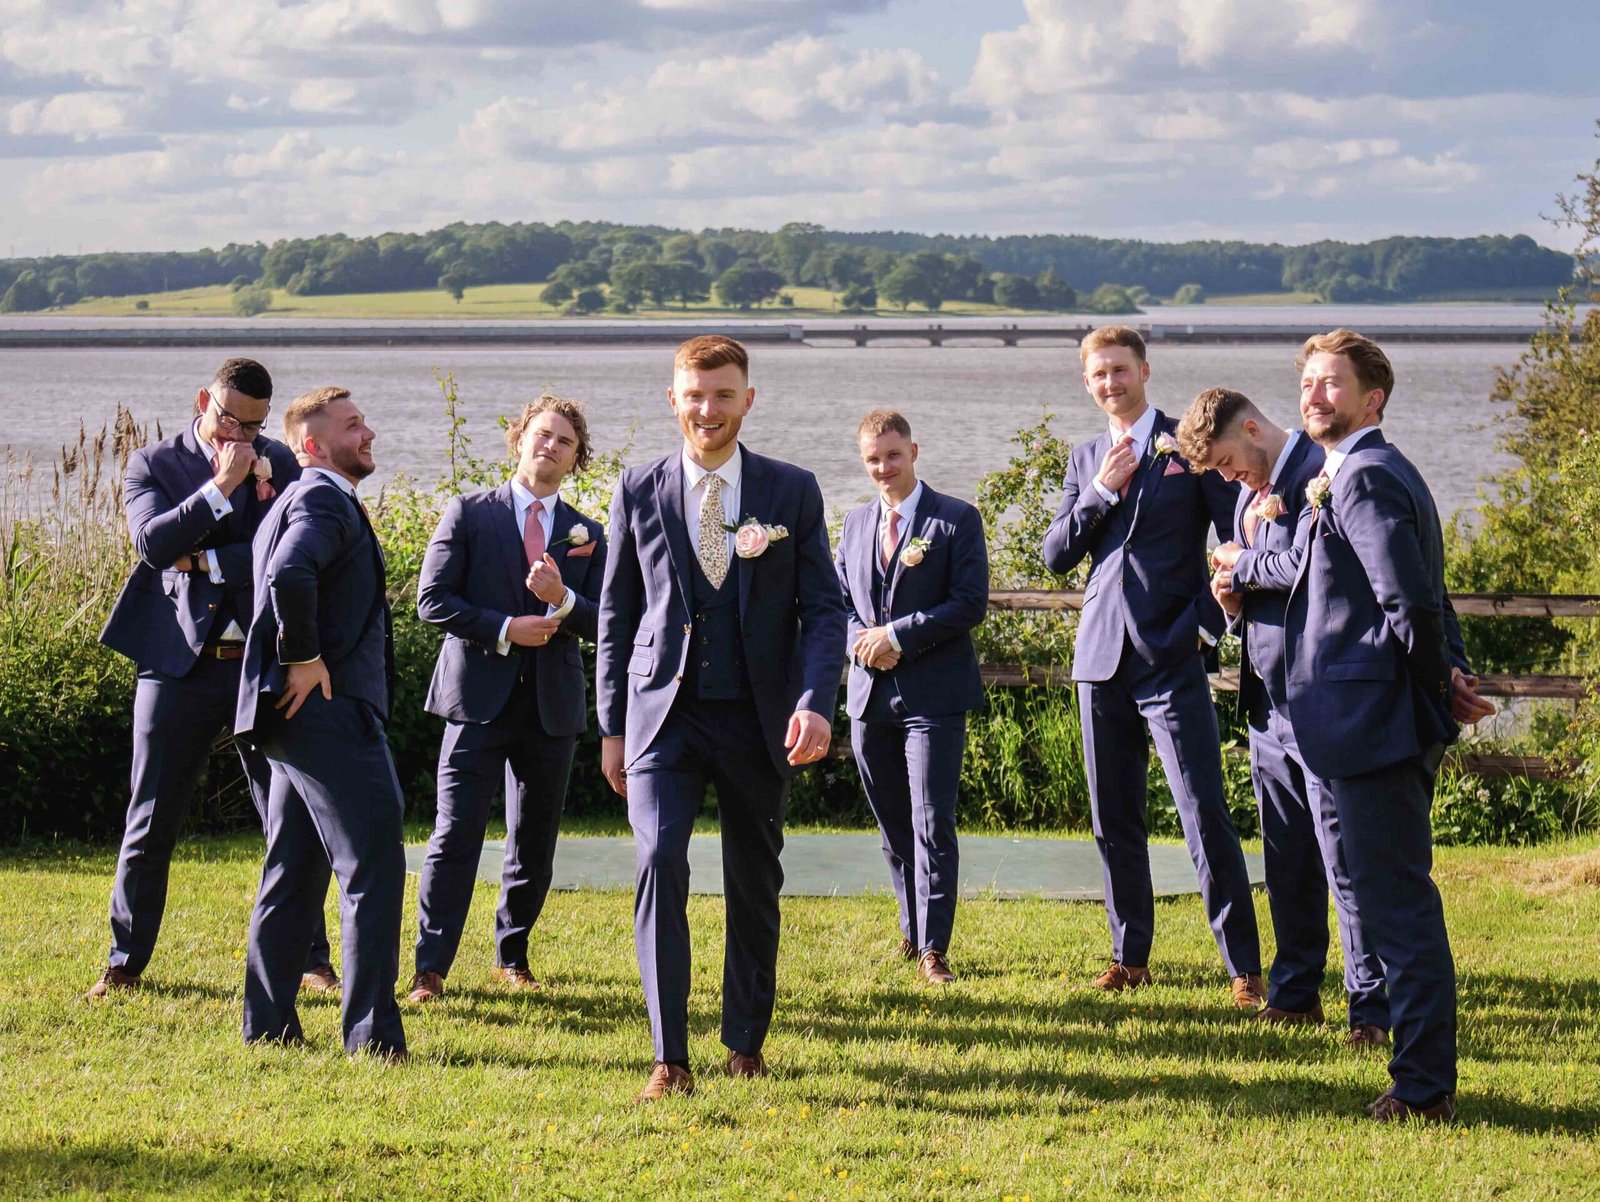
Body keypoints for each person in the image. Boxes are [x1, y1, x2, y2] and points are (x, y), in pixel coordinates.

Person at [597, 334, 846, 1101]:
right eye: (695, 395)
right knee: (659, 862)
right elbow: (616, 611)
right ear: (673, 399)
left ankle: (744, 1042)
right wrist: (611, 725)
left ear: (748, 399)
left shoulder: (791, 489)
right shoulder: (637, 487)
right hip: (660, 718)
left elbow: (825, 610)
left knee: (754, 881)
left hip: (758, 717)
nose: (708, 409)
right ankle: (668, 1057)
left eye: (723, 394)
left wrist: (815, 702)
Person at [1271, 330, 1494, 1121]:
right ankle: (1418, 1072)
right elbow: (1426, 593)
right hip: (1362, 723)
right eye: (1308, 382)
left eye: (1332, 383)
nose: (1314, 395)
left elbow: (1410, 600)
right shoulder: (1363, 471)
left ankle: (1424, 1086)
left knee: (1397, 909)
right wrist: (1451, 674)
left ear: (1374, 399)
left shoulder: (1364, 477)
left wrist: (1435, 688)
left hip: (1371, 726)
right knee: (1388, 900)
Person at [92, 357, 333, 999]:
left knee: (289, 814)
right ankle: (124, 963)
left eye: (253, 426)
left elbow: (288, 554)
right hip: (177, 664)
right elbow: (152, 545)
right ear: (204, 401)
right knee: (151, 816)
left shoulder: (281, 462)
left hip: (262, 661)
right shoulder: (153, 464)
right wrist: (221, 486)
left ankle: (311, 960)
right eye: (230, 421)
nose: (240, 437)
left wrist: (202, 559)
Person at [1041, 326, 1263, 1007]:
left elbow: (1237, 536)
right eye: (1098, 374)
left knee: (1203, 812)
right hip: (1099, 657)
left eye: (1120, 369)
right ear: (1087, 382)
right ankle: (1129, 956)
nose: (1110, 382)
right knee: (1113, 817)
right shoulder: (1085, 458)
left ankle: (1244, 968)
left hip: (1172, 653)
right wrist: (1100, 492)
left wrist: (1208, 625)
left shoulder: (1185, 444)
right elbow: (1056, 555)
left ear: (1144, 370)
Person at [1176, 388, 1390, 1044]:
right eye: (1216, 471)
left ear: (1250, 427)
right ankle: (1296, 992)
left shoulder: (1316, 475)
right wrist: (1232, 604)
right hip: (1266, 702)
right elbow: (1270, 587)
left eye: (1226, 462)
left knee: (1342, 859)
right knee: (1286, 857)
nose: (1228, 478)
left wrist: (1241, 564)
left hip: (1319, 698)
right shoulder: (1251, 492)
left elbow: (1312, 567)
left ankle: (1370, 1008)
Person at [406, 396, 607, 1003]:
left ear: (576, 459)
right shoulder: (469, 513)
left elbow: (609, 623)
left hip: (551, 706)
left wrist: (562, 599)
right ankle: (430, 968)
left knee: (534, 841)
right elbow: (432, 600)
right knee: (454, 835)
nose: (551, 446)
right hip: (475, 700)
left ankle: (511, 956)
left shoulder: (589, 534)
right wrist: (504, 628)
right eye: (542, 434)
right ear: (520, 439)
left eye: (565, 442)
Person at [236, 387, 408, 1059]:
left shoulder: (293, 499)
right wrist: (304, 656)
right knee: (373, 867)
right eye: (352, 425)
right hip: (328, 716)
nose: (368, 433)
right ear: (312, 445)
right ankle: (372, 1037)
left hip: (294, 721)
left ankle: (269, 1025)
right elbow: (290, 573)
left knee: (294, 869)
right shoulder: (322, 499)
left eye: (363, 421)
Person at [834, 409, 988, 984]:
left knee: (931, 819)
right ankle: (911, 927)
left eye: (893, 455)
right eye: (873, 459)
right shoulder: (854, 523)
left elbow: (969, 603)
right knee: (893, 821)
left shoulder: (956, 519)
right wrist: (862, 643)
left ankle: (934, 947)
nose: (884, 468)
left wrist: (897, 636)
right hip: (869, 696)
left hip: (934, 695)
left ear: (914, 452)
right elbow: (837, 603)